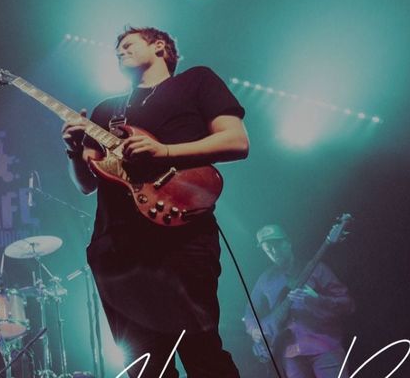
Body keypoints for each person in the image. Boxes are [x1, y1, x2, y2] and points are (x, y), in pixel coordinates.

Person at [63, 26, 249, 377]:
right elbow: (86, 185)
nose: (120, 52)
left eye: (128, 44)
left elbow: (237, 141)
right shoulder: (107, 110)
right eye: (116, 50)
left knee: (202, 353)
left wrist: (164, 151)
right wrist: (74, 152)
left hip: (181, 236)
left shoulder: (196, 81)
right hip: (117, 248)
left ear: (160, 46)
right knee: (143, 365)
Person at [244, 225, 354, 378]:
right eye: (268, 249)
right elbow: (249, 313)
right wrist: (254, 330)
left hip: (324, 347)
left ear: (288, 243)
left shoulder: (317, 269)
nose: (274, 251)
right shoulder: (265, 280)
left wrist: (317, 299)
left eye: (277, 245)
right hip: (290, 355)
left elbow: (347, 304)